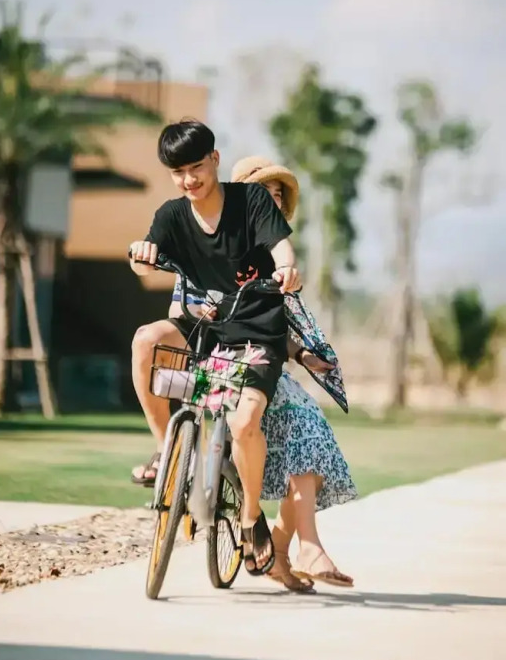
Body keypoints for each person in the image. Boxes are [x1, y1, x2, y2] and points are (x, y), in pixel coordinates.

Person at [167, 156, 356, 591]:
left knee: (312, 432)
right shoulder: (207, 243)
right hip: (217, 361)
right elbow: (180, 307)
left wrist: (302, 354)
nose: (272, 203)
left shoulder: (276, 261)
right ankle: (298, 547)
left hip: (262, 362)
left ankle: (289, 549)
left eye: (277, 197)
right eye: (262, 194)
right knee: (300, 425)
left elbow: (272, 328)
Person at [129, 120, 302, 577]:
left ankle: (250, 515)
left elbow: (281, 247)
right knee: (145, 340)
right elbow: (145, 266)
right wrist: (142, 255)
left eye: (196, 167)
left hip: (255, 331)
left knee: (244, 423)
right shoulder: (171, 215)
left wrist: (287, 269)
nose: (189, 180)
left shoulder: (252, 201)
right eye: (178, 172)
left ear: (215, 160)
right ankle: (168, 453)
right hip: (201, 328)